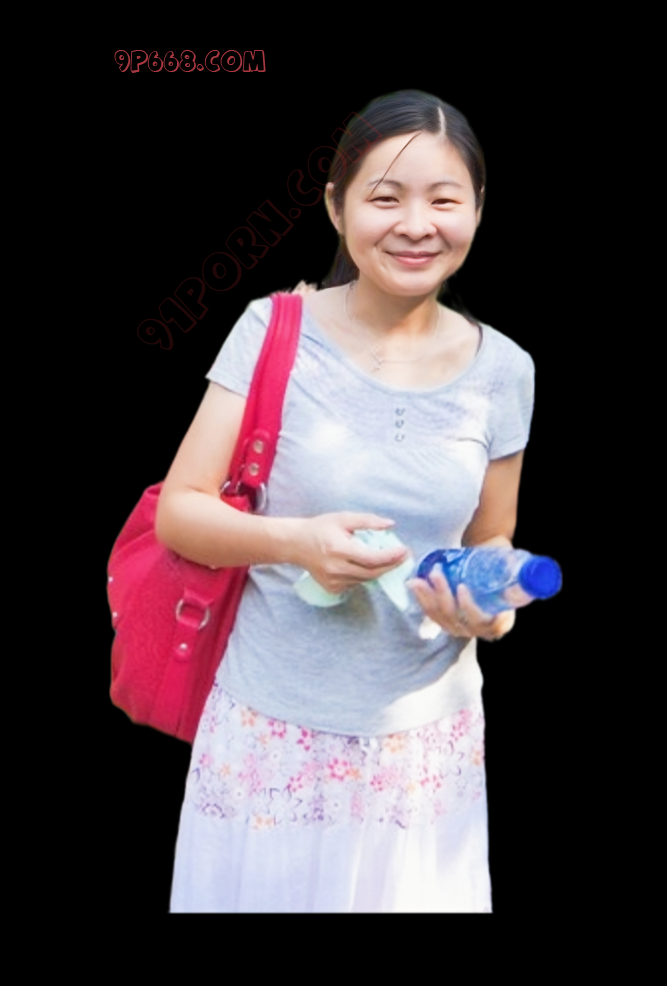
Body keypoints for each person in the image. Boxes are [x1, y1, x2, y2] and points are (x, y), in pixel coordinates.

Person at [157, 89, 535, 912]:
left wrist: (490, 609)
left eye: (444, 200)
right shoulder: (272, 330)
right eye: (384, 198)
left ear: (477, 209)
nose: (415, 225)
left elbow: (493, 540)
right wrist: (297, 543)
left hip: (424, 753)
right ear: (335, 207)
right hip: (270, 738)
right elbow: (178, 511)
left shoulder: (506, 371)